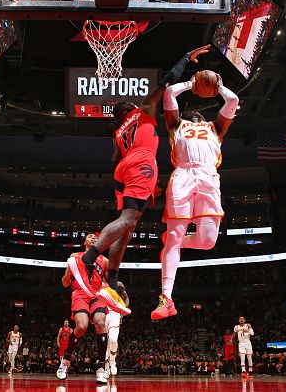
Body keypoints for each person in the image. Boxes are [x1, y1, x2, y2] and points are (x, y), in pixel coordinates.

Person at [68, 45, 212, 316]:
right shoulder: (143, 109)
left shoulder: (120, 131)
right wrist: (185, 59)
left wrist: (123, 185)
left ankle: (111, 282)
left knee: (127, 228)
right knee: (127, 222)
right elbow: (166, 80)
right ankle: (88, 260)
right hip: (141, 163)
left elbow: (113, 162)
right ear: (131, 108)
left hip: (124, 170)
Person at [151, 70, 238, 320]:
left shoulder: (216, 127)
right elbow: (169, 93)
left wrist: (219, 86)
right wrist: (191, 84)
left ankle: (175, 241)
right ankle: (166, 298)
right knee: (175, 236)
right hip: (183, 176)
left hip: (209, 177)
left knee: (208, 241)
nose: (195, 116)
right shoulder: (177, 125)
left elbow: (232, 101)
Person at [57, 233, 110, 384]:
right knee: (81, 326)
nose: (94, 238)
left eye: (96, 237)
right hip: (80, 294)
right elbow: (65, 283)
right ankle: (66, 360)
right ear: (84, 241)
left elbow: (108, 281)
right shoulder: (75, 256)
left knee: (100, 322)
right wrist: (68, 275)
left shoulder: (104, 260)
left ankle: (101, 367)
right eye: (90, 236)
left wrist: (108, 289)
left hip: (97, 295)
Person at [105, 282, 129, 377]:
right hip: (104, 313)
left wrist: (122, 311)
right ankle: (106, 366)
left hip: (115, 314)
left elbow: (126, 299)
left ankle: (113, 362)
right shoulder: (103, 285)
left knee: (113, 340)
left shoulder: (119, 284)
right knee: (106, 343)